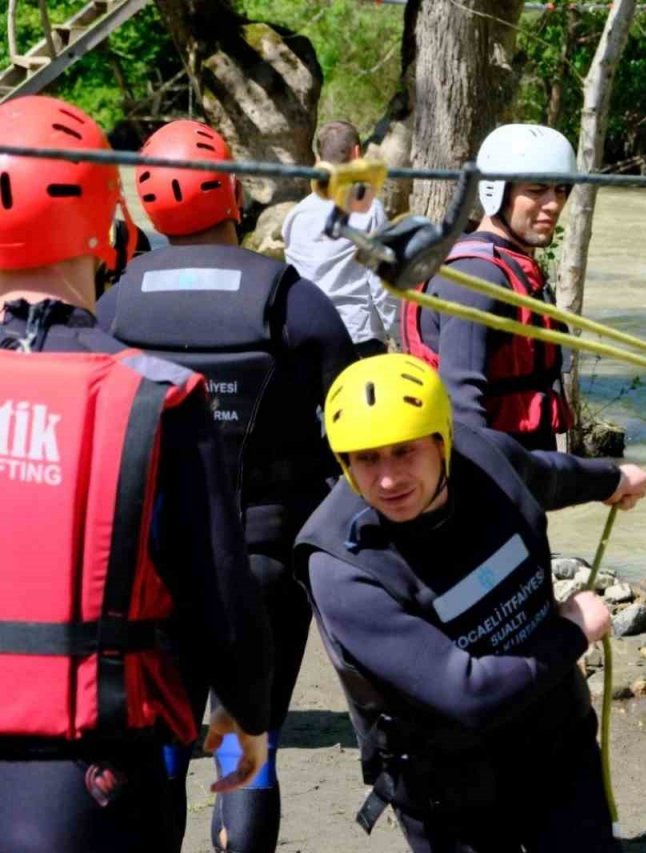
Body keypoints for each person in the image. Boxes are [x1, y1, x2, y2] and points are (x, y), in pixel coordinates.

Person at [0, 95, 272, 853]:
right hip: (88, 776)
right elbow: (220, 591)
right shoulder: (156, 395)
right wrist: (246, 714)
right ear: (104, 222)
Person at [96, 118, 357, 853]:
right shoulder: (292, 299)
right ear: (234, 195)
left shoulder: (115, 307)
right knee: (248, 731)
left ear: (147, 206)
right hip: (266, 558)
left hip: (157, 563)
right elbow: (353, 426)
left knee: (168, 735)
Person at [295, 354, 646, 852]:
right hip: (447, 788)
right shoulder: (342, 567)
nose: (388, 479)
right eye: (366, 458)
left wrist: (612, 480)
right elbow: (469, 694)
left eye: (404, 451)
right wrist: (575, 630)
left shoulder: (486, 456)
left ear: (444, 441)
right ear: (344, 463)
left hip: (554, 742)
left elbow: (548, 474)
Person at [402, 124, 577, 451]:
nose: (554, 204)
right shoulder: (478, 277)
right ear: (496, 191)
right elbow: (463, 410)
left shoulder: (507, 265)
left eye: (561, 190)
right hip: (491, 480)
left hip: (522, 470)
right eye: (537, 190)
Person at [283, 119, 397, 357]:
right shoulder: (367, 208)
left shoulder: (295, 216)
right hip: (357, 337)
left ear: (318, 160)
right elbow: (382, 284)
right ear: (357, 154)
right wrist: (399, 335)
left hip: (306, 337)